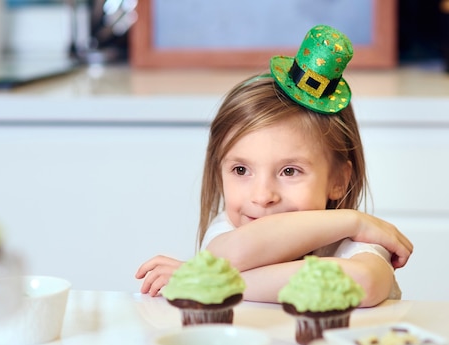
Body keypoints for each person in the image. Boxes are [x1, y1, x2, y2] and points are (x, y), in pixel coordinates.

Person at [136, 25, 413, 307]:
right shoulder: (230, 230)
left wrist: (213, 282)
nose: (262, 196)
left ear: (338, 180)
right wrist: (354, 219)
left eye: (289, 171)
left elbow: (363, 283)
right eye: (241, 170)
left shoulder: (354, 242)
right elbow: (231, 253)